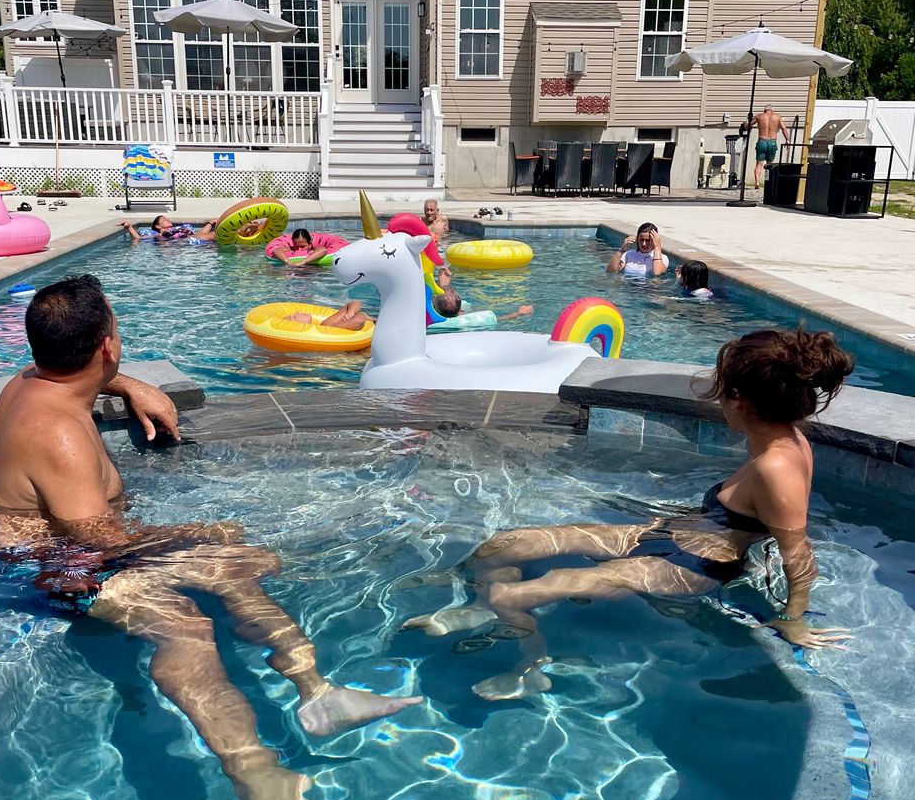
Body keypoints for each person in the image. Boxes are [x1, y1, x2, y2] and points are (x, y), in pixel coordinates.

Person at [0, 275, 421, 800]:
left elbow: (73, 380)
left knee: (233, 562)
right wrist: (196, 533)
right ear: (107, 346)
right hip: (50, 568)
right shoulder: (59, 435)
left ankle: (318, 693)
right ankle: (260, 788)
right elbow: (95, 542)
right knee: (185, 625)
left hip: (70, 546)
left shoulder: (30, 383)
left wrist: (129, 387)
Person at [403, 327, 854, 699]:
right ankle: (482, 608)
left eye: (721, 393)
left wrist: (793, 620)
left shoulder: (777, 463)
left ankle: (530, 665)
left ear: (739, 400)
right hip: (671, 534)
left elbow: (797, 550)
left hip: (692, 567)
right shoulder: (776, 440)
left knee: (511, 597)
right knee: (505, 545)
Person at [432, 287, 534, 323]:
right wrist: (519, 313)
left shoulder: (430, 316)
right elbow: (500, 319)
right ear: (460, 311)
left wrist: (444, 286)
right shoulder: (469, 319)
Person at [749, 105, 790, 190]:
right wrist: (787, 140)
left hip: (762, 141)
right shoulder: (777, 117)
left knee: (759, 164)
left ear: (764, 110)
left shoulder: (759, 116)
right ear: (772, 111)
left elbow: (749, 125)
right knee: (769, 164)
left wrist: (745, 124)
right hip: (772, 142)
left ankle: (757, 182)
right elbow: (784, 129)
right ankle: (769, 182)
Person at [120, 215, 217, 243]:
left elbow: (198, 233)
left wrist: (210, 223)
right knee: (213, 235)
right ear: (158, 226)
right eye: (164, 219)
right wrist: (129, 227)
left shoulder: (178, 229)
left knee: (213, 235)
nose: (168, 219)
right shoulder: (159, 234)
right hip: (182, 242)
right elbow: (138, 238)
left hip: (189, 239)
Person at [289, 299, 373, 331]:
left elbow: (355, 302)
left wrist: (350, 312)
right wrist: (363, 315)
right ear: (299, 325)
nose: (296, 312)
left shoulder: (325, 324)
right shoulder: (326, 328)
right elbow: (359, 320)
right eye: (293, 316)